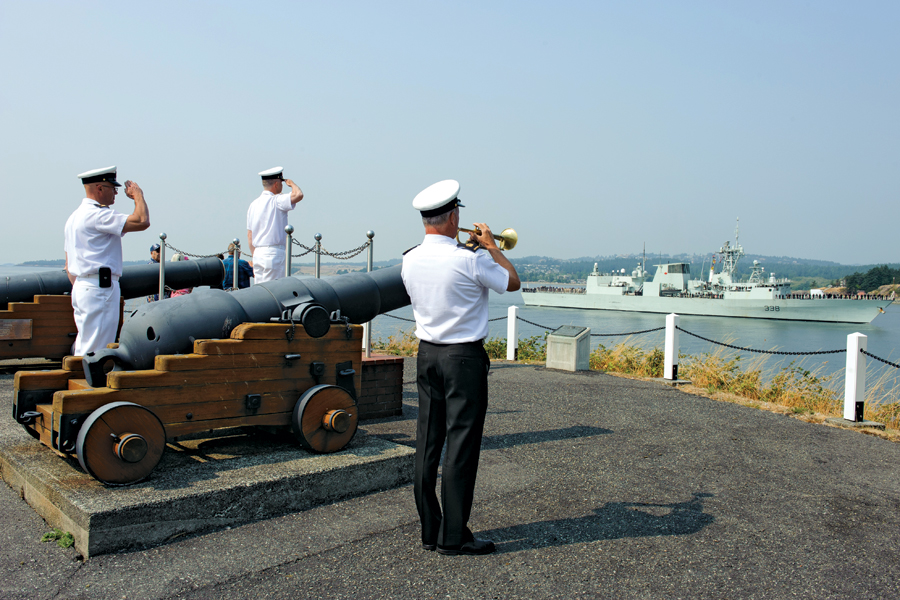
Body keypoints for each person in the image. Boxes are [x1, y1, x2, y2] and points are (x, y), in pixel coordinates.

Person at [400, 179, 520, 556]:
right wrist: (493, 248)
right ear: (454, 217)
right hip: (463, 359)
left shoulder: (409, 258)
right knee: (461, 445)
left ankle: (429, 529)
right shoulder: (472, 259)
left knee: (427, 443)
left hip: (427, 355)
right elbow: (512, 283)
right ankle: (454, 536)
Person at [64, 166, 150, 356]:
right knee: (98, 349)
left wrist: (84, 285)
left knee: (85, 344)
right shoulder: (97, 215)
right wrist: (138, 196)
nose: (116, 193)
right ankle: (91, 384)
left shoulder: (74, 218)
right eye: (112, 188)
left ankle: (83, 379)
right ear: (99, 189)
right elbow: (142, 220)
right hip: (98, 287)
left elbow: (68, 264)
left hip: (82, 286)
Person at [246, 166, 303, 284]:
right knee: (273, 292)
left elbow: (250, 235)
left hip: (258, 254)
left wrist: (254, 255)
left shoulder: (253, 205)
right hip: (273, 252)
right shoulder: (277, 200)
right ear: (276, 184)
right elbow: (299, 195)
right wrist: (292, 184)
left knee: (259, 291)